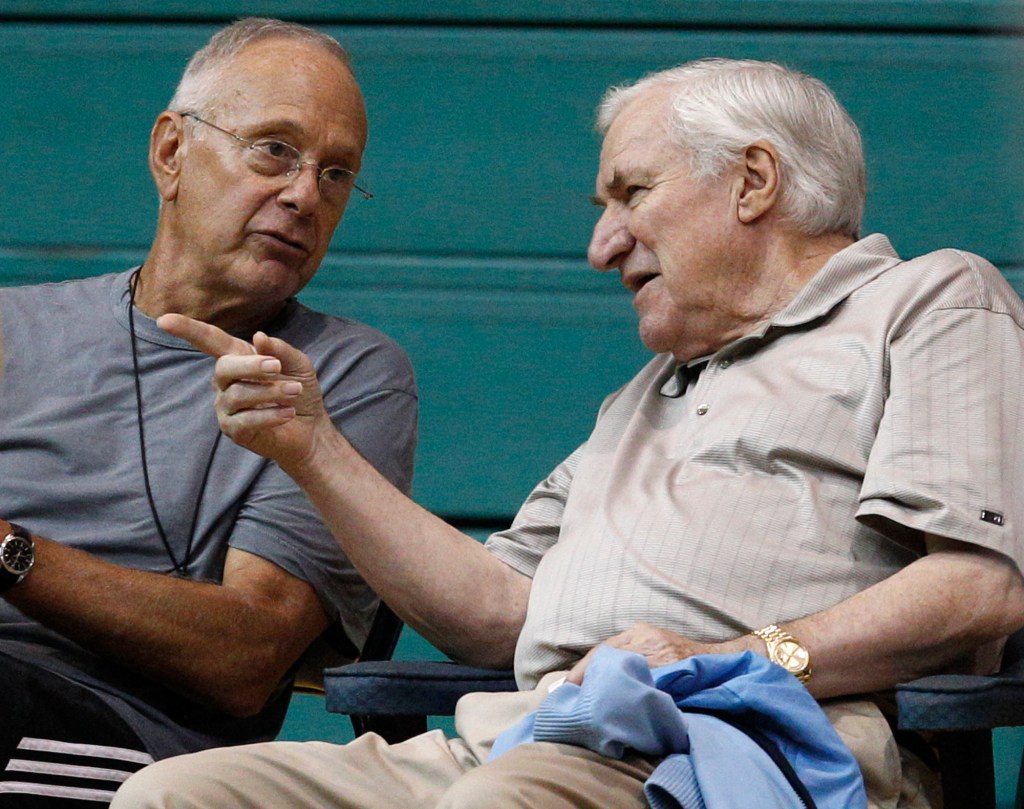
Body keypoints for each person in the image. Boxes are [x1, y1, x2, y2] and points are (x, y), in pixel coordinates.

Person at [114, 58, 1024, 809]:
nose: (602, 246)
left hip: (739, 746)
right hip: (528, 735)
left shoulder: (928, 302)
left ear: (753, 181)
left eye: (632, 194)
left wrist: (730, 662)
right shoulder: (643, 396)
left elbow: (975, 590)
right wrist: (310, 446)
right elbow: (499, 613)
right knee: (176, 795)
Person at [0, 17, 417, 807]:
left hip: (135, 752)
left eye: (336, 174)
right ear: (171, 153)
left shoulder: (340, 376)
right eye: (274, 149)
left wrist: (10, 554)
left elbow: (246, 657)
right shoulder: (10, 330)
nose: (304, 194)